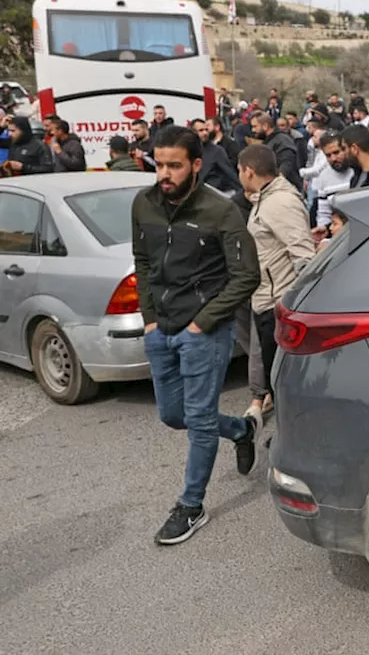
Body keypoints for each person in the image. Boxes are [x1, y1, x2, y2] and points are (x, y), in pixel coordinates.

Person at [131, 125, 261, 545]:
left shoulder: (220, 211)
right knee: (173, 415)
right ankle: (242, 431)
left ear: (196, 165)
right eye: (159, 164)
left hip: (203, 332)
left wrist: (202, 323)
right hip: (160, 330)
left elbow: (246, 276)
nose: (164, 173)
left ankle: (191, 506)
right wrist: (149, 318)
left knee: (200, 420)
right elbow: (143, 261)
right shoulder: (143, 204)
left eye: (174, 165)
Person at [237, 144, 316, 439]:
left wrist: (298, 303)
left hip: (278, 303)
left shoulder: (278, 202)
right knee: (275, 378)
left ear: (249, 171)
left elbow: (303, 256)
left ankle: (294, 437)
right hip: (264, 300)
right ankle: (289, 432)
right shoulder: (264, 199)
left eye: (239, 170)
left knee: (284, 380)